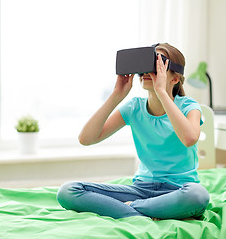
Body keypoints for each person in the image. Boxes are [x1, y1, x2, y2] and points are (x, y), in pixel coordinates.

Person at [57, 43, 210, 220]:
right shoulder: (134, 108)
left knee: (198, 196)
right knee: (68, 191)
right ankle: (147, 212)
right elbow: (86, 138)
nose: (147, 72)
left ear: (174, 78)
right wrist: (117, 94)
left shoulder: (189, 106)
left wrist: (161, 91)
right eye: (146, 65)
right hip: (140, 189)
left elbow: (189, 138)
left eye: (157, 66)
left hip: (178, 190)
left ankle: (130, 210)